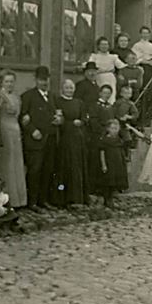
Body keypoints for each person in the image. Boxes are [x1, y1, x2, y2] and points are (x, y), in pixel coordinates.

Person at [20, 66, 62, 211]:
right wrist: (32, 130)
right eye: (41, 80)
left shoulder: (53, 96)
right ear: (36, 80)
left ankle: (43, 200)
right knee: (34, 170)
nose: (44, 82)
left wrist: (59, 120)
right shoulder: (28, 96)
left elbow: (58, 114)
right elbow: (23, 118)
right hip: (35, 140)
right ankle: (31, 202)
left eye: (46, 80)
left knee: (47, 170)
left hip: (50, 139)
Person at [54, 78, 89, 207]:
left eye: (71, 88)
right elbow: (58, 119)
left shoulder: (79, 102)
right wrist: (67, 123)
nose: (69, 90)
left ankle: (78, 197)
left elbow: (84, 117)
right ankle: (63, 197)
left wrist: (81, 122)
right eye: (67, 88)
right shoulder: (58, 102)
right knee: (65, 167)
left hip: (77, 138)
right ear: (62, 89)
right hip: (65, 138)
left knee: (77, 167)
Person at [0, 70, 27, 208]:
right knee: (7, 162)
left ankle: (18, 200)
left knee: (16, 162)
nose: (9, 84)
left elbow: (18, 114)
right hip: (4, 129)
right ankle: (7, 198)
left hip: (15, 129)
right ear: (1, 82)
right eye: (6, 81)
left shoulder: (16, 97)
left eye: (11, 81)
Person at [90, 84, 115, 196]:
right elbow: (94, 122)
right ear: (100, 93)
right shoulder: (95, 106)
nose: (106, 95)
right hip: (99, 137)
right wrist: (104, 132)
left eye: (108, 93)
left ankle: (107, 188)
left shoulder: (110, 106)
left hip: (109, 137)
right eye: (104, 93)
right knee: (97, 161)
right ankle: (95, 187)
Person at [131, 26, 152, 120]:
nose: (145, 35)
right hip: (142, 68)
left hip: (151, 69)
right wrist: (147, 61)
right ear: (140, 34)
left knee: (150, 90)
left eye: (147, 33)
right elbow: (136, 59)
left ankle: (147, 115)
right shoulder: (136, 45)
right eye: (143, 33)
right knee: (142, 89)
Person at [99, 119, 129, 209]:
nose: (114, 130)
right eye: (112, 128)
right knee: (108, 181)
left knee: (115, 182)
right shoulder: (104, 140)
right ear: (108, 129)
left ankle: (111, 198)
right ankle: (106, 199)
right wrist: (103, 164)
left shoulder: (119, 140)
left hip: (117, 164)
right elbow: (102, 152)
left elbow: (122, 151)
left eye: (116, 128)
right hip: (109, 163)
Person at [87, 36, 126, 103]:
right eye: (102, 44)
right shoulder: (94, 56)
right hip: (99, 77)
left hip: (110, 78)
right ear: (98, 46)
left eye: (106, 44)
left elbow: (122, 66)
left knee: (111, 95)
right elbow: (89, 65)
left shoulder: (113, 57)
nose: (104, 46)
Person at [113, 84, 139, 161]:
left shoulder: (131, 104)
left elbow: (136, 114)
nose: (127, 95)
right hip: (116, 123)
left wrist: (129, 117)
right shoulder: (117, 103)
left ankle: (125, 155)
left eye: (129, 93)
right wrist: (119, 117)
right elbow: (113, 112)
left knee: (128, 139)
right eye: (125, 93)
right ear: (121, 94)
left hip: (125, 124)